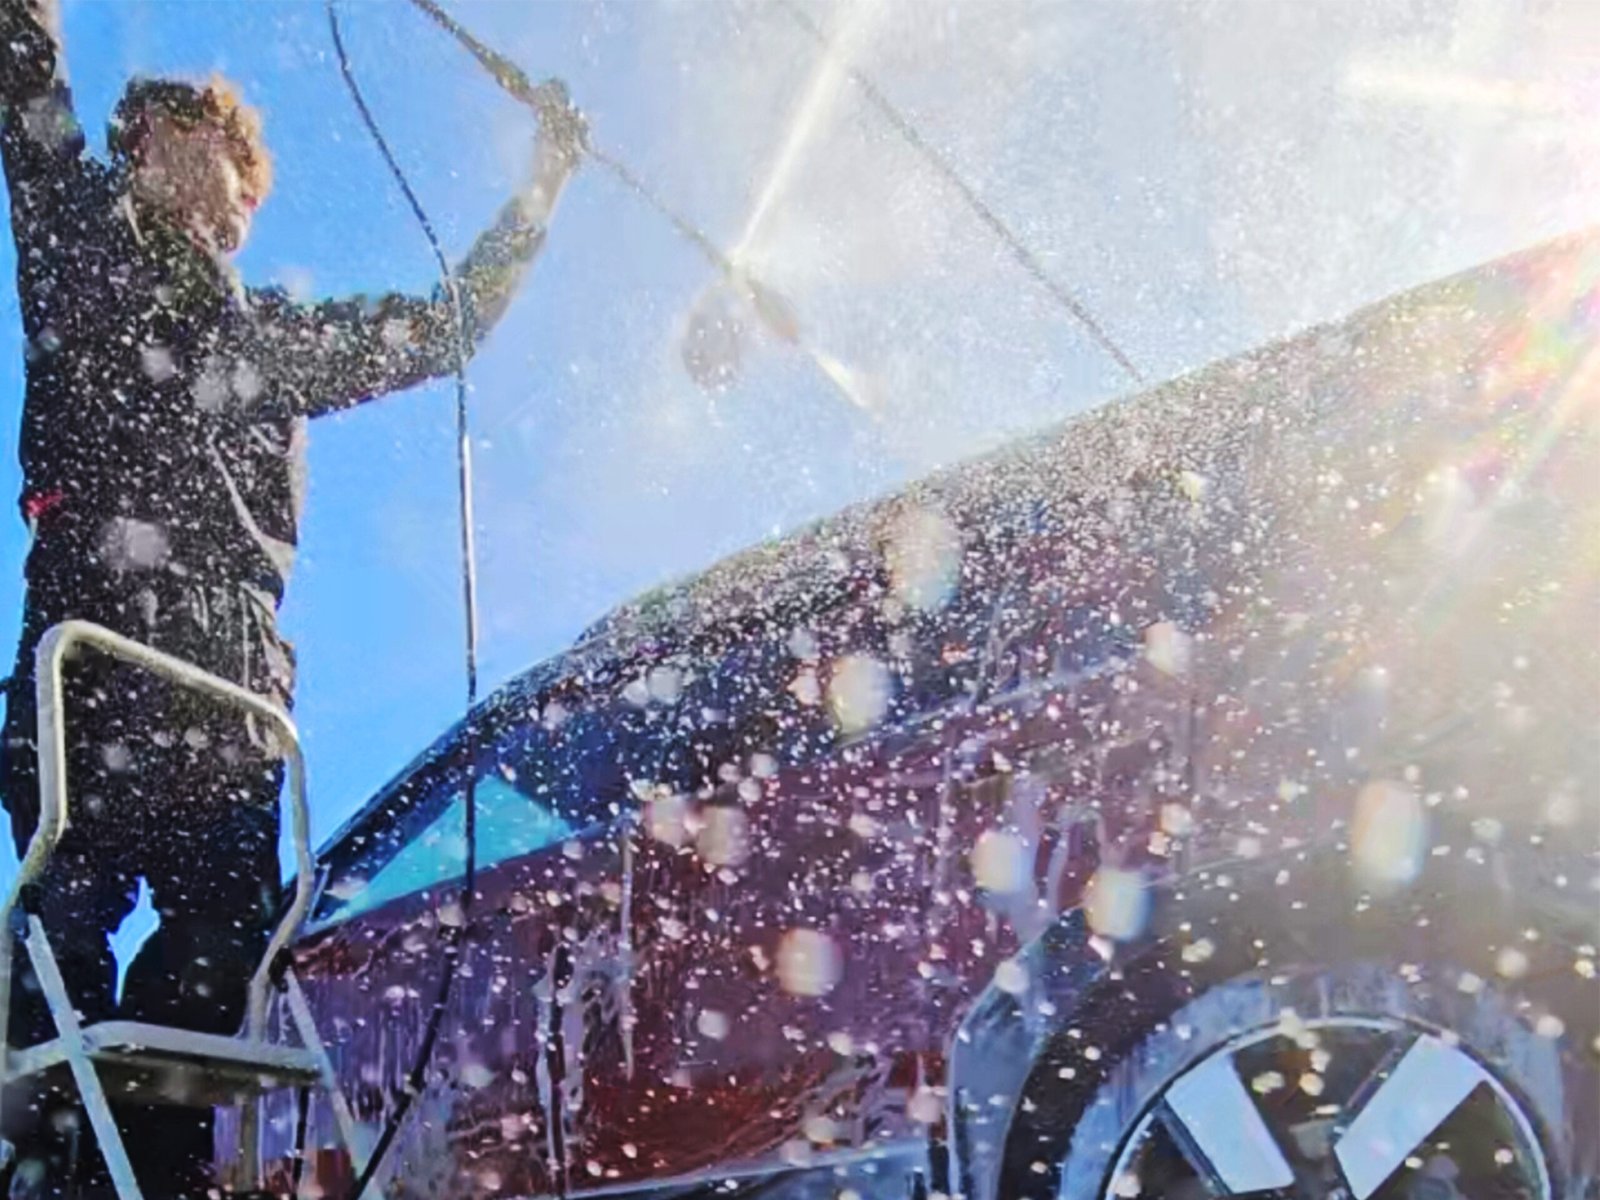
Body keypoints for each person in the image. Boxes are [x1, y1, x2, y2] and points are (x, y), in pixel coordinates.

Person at [0, 0, 586, 1194]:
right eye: (162, 135)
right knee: (54, 948)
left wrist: (541, 191)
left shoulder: (271, 343)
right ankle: (39, 1146)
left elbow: (444, 327)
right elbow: (26, 76)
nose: (179, 161)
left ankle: (142, 1173)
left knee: (212, 978)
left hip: (229, 723)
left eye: (210, 151)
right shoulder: (76, 246)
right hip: (90, 694)